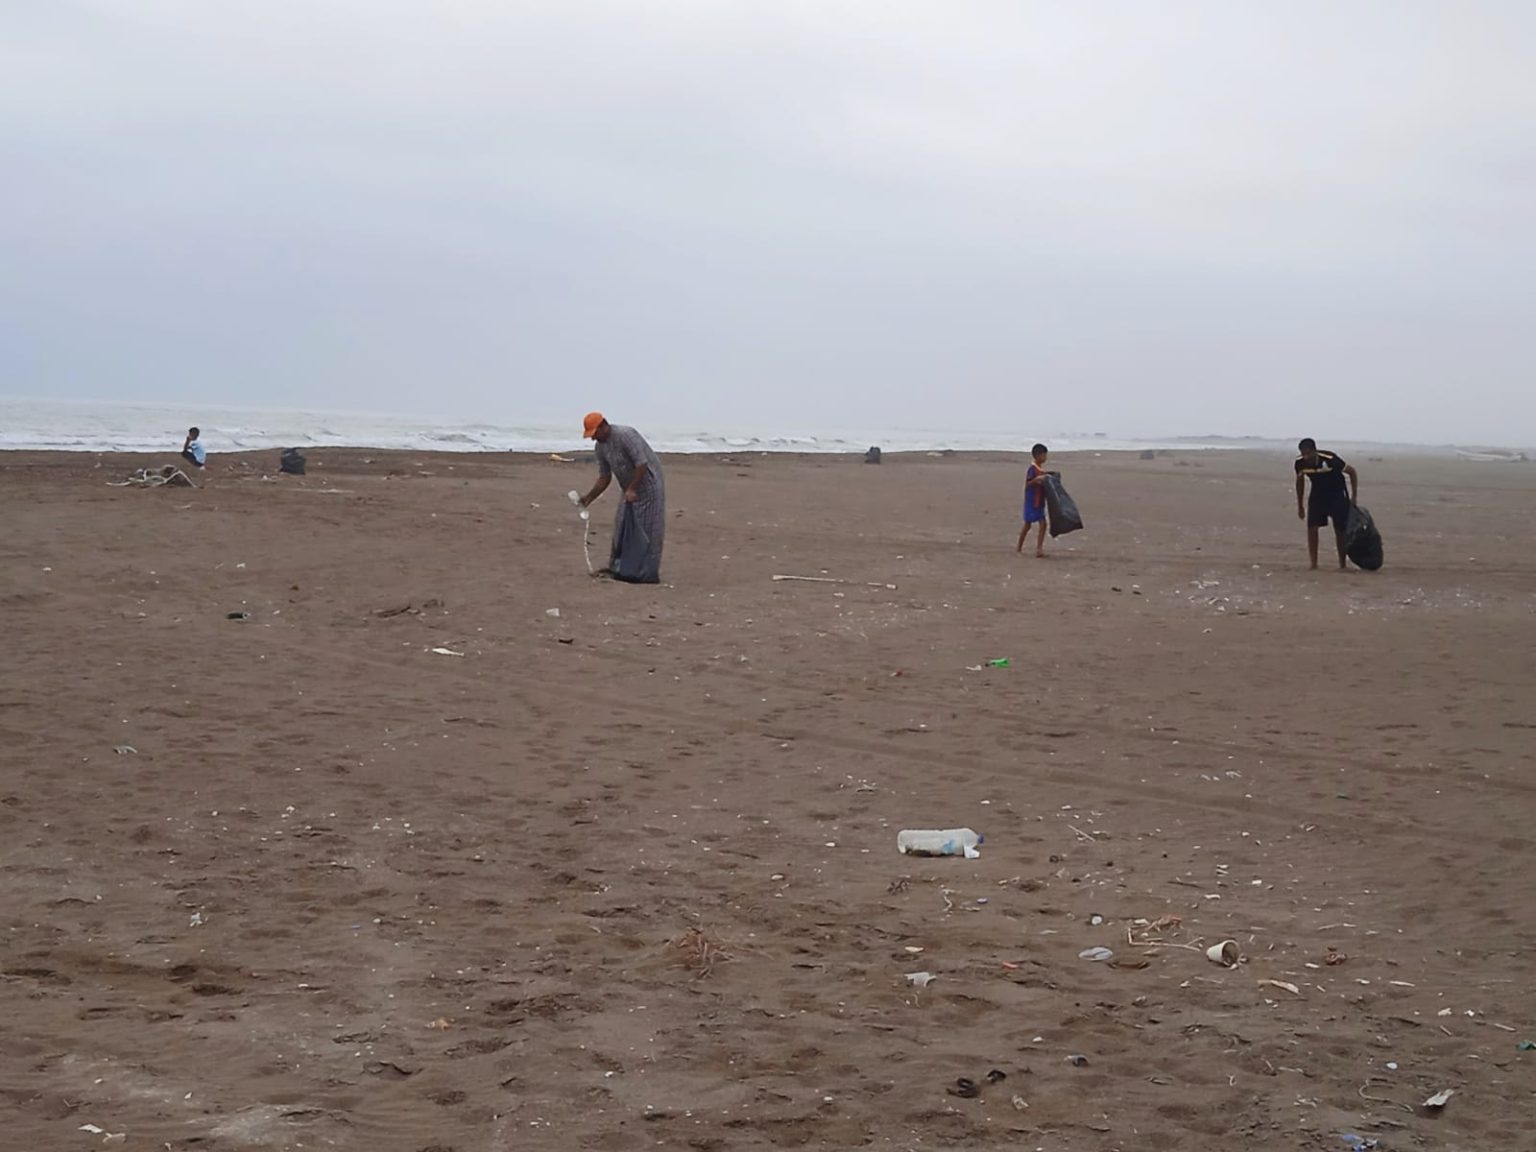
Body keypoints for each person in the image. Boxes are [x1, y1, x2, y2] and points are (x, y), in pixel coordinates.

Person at [577, 412, 665, 581]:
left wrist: (632, 489)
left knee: (647, 528)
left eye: (595, 433)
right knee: (622, 524)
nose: (593, 438)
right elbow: (605, 477)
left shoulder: (626, 435)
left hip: (649, 486)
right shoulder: (600, 448)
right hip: (629, 489)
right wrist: (588, 498)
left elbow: (642, 463)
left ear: (604, 426)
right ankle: (620, 567)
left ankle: (645, 571)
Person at [1295, 438, 1359, 570]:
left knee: (1339, 530)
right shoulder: (1300, 463)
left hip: (1337, 494)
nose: (1306, 457)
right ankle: (1313, 564)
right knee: (1312, 527)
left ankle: (1342, 564)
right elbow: (1299, 482)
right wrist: (1300, 505)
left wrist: (1354, 497)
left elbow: (1352, 472)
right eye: (1303, 454)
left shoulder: (1330, 459)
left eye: (1308, 453)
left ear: (1315, 451)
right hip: (1317, 495)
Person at [1016, 443, 1052, 557]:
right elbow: (1028, 484)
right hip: (1032, 501)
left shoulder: (1041, 470)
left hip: (1040, 501)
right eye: (1044, 455)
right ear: (1037, 456)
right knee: (1027, 525)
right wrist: (1037, 480)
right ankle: (1019, 548)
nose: (1045, 458)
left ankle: (1039, 549)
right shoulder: (1032, 469)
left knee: (1043, 524)